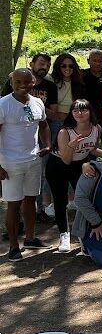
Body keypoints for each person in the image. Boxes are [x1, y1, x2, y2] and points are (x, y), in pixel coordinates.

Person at [0, 69, 51, 261]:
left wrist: (46, 144)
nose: (23, 85)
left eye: (28, 82)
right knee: (13, 204)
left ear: (34, 82)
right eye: (18, 82)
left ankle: (30, 238)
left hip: (33, 159)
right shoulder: (3, 104)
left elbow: (44, 125)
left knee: (30, 200)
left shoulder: (37, 102)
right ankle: (14, 246)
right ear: (12, 82)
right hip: (10, 163)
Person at [45, 99, 102, 253]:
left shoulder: (96, 128)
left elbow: (92, 149)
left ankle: (82, 234)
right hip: (58, 165)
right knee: (60, 199)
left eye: (83, 110)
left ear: (90, 112)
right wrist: (73, 144)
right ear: (71, 113)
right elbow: (66, 159)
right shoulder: (65, 131)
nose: (80, 113)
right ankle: (64, 235)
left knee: (84, 198)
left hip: (80, 164)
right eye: (76, 110)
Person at [51, 53, 85, 138]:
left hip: (73, 121)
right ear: (58, 66)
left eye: (71, 66)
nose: (67, 68)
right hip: (56, 121)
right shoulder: (51, 81)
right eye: (64, 66)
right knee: (54, 148)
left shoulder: (79, 82)